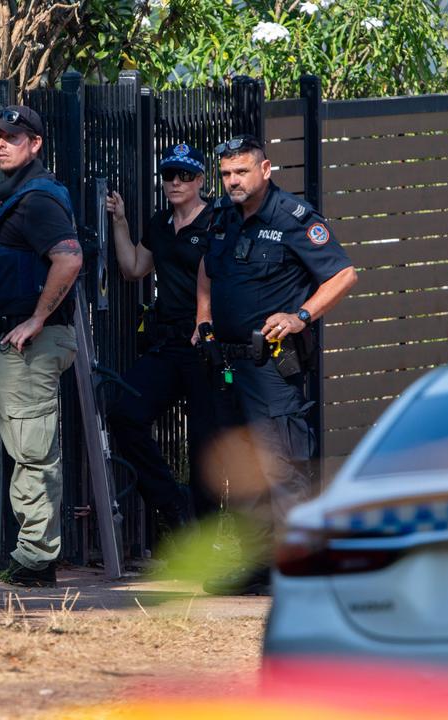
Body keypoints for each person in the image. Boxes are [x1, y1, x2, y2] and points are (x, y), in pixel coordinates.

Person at [193, 134, 357, 595]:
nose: (232, 181)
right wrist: (203, 318)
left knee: (281, 470)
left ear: (265, 170)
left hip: (272, 366)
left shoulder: (293, 217)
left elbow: (343, 274)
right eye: (226, 173)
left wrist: (301, 316)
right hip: (226, 363)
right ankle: (256, 568)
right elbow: (207, 267)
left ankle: (299, 573)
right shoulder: (223, 215)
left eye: (241, 171)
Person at [0, 105, 81, 588]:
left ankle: (35, 559)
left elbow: (68, 259)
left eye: (13, 136)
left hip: (30, 344)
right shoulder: (15, 197)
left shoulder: (39, 200)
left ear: (36, 143)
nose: (2, 143)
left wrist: (38, 318)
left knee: (30, 450)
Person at [105, 143, 222, 537]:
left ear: (201, 180)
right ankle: (173, 506)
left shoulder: (217, 222)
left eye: (185, 175)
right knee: (124, 413)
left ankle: (207, 536)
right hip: (169, 343)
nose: (175, 181)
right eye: (169, 174)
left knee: (203, 442)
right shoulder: (159, 224)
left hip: (205, 346)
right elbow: (134, 267)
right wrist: (119, 222)